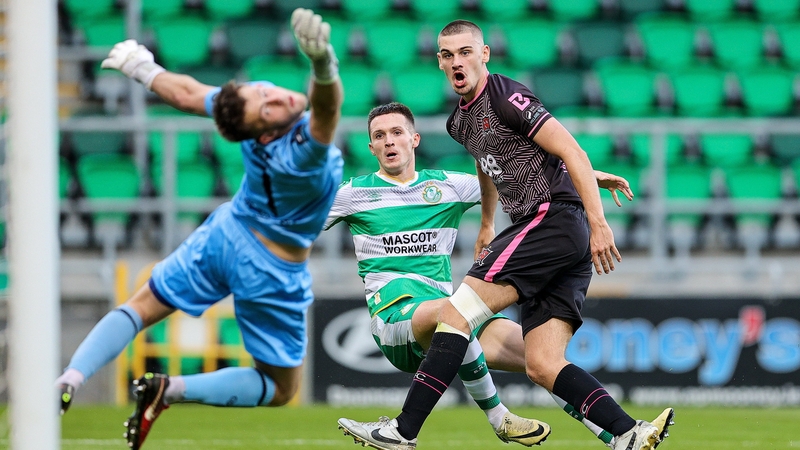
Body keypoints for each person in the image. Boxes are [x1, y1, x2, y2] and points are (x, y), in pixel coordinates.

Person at [337, 20, 674, 450]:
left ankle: (403, 431)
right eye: (447, 54)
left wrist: (599, 222)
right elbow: (488, 160)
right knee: (542, 363)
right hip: (556, 235)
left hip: (549, 219)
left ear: (485, 54)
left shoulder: (506, 95)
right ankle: (629, 432)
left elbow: (570, 150)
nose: (456, 61)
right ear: (439, 62)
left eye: (464, 51)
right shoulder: (461, 122)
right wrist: (486, 223)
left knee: (457, 316)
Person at [55, 8, 343, 450]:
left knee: (143, 303)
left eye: (265, 92)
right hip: (270, 266)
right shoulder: (301, 156)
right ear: (263, 135)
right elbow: (326, 107)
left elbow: (190, 94)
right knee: (282, 389)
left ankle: (68, 377)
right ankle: (172, 390)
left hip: (225, 232)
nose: (276, 98)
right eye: (266, 108)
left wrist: (142, 68)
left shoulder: (245, 120)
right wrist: (322, 65)